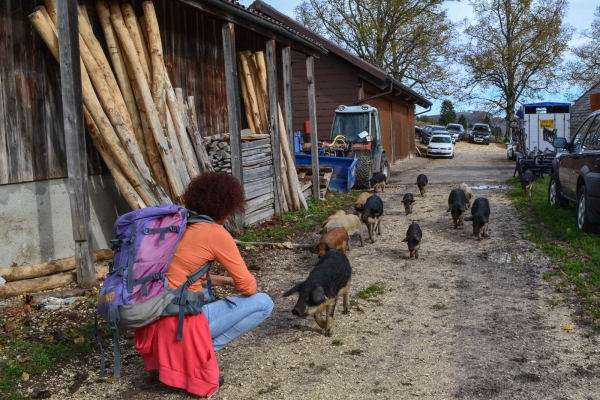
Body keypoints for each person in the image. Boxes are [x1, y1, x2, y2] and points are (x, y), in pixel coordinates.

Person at [134, 172, 274, 396]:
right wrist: (237, 278)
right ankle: (193, 357)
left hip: (150, 319)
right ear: (228, 207)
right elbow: (248, 287)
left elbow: (182, 273)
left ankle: (170, 359)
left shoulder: (175, 226)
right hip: (181, 324)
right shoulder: (215, 233)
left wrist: (224, 280)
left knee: (204, 291)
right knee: (264, 302)